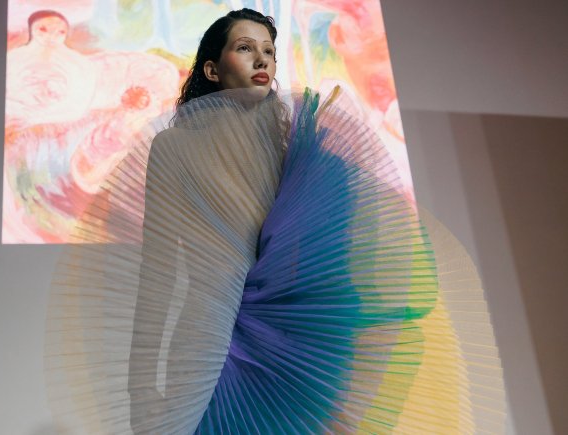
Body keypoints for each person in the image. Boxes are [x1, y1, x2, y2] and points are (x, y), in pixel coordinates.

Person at [45, 8, 506, 434]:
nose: (261, 59)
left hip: (297, 344)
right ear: (212, 69)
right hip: (208, 342)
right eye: (245, 47)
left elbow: (341, 256)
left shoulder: (296, 149)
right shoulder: (174, 147)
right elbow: (160, 274)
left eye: (269, 50)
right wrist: (142, 393)